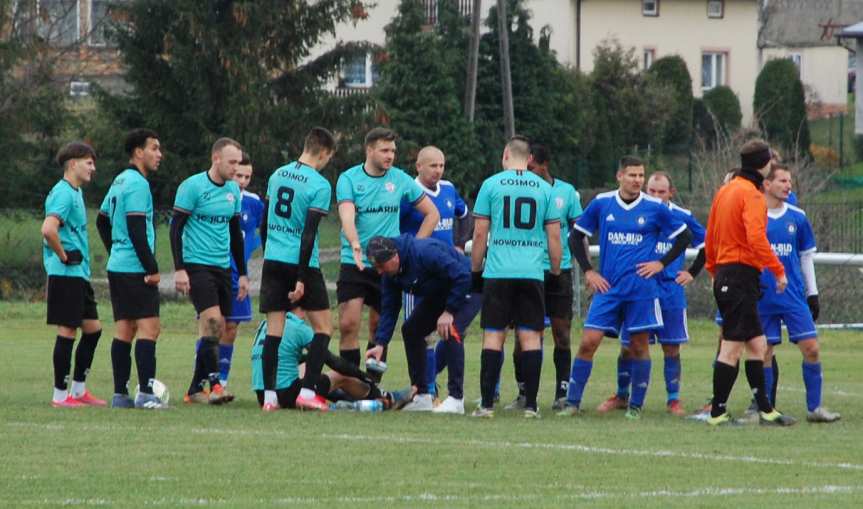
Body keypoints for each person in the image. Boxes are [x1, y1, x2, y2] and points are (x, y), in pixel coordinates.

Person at [559, 156, 692, 420]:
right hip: (608, 288)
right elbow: (575, 236)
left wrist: (660, 263)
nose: (638, 181)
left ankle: (635, 407)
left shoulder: (655, 207)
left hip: (642, 290)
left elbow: (684, 237)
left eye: (641, 176)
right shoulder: (602, 203)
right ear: (620, 175)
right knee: (588, 342)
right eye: (632, 175)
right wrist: (588, 271)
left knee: (639, 345)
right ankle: (572, 402)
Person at [703, 139, 795, 426]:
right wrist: (778, 270)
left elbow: (711, 234)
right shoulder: (752, 195)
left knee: (758, 344)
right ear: (765, 163)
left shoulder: (725, 190)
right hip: (740, 274)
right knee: (732, 347)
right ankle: (717, 412)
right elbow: (756, 238)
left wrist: (713, 268)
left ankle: (766, 409)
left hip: (728, 274)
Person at [470, 135, 562, 419]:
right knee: (531, 337)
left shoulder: (491, 184)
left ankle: (486, 405)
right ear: (530, 158)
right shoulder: (545, 188)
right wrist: (555, 272)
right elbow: (555, 237)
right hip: (532, 272)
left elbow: (480, 233)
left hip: (498, 272)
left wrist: (476, 270)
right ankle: (532, 406)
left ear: (505, 154)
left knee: (494, 336)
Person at [600, 172, 705, 417]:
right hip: (638, 291)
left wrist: (692, 272)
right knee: (628, 347)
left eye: (661, 192)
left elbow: (707, 245)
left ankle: (673, 400)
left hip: (669, 291)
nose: (656, 196)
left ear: (671, 193)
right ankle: (622, 395)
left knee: (671, 347)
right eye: (652, 191)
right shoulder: (639, 211)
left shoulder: (682, 217)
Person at [335, 128, 439, 372]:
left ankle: (371, 383)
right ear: (369, 150)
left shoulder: (400, 179)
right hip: (355, 260)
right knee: (349, 323)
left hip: (387, 266)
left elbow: (432, 214)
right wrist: (355, 242)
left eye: (393, 150)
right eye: (384, 150)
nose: (390, 155)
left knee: (378, 326)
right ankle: (350, 381)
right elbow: (347, 215)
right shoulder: (348, 179)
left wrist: (412, 248)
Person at [259, 127, 336, 412]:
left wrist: (269, 254)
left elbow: (264, 223)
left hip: (273, 260)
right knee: (324, 328)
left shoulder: (277, 175)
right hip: (301, 263)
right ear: (325, 152)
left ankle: (269, 398)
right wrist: (302, 277)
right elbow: (308, 234)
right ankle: (306, 391)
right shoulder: (319, 184)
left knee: (274, 331)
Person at [399, 145, 478, 414]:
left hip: (449, 275)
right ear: (418, 166)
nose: (438, 171)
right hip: (419, 277)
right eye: (433, 165)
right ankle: (427, 390)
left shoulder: (448, 189)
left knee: (449, 329)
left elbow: (466, 217)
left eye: (442, 165)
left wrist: (459, 242)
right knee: (423, 335)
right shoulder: (408, 192)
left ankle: (435, 390)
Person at [504, 142, 583, 411]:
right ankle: (524, 393)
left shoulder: (566, 192)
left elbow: (578, 232)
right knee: (524, 336)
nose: (526, 171)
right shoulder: (517, 191)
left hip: (558, 272)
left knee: (562, 333)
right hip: (527, 271)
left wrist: (586, 269)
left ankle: (562, 393)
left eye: (531, 167)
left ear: (543, 165)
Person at [757, 165, 839, 423]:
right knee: (764, 352)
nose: (788, 185)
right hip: (762, 296)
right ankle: (766, 410)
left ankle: (814, 408)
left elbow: (806, 257)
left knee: (811, 348)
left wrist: (812, 293)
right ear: (767, 184)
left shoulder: (798, 217)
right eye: (782, 180)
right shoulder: (754, 215)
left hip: (792, 296)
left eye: (789, 181)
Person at [172, 137, 248, 405]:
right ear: (216, 159)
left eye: (239, 162)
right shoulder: (192, 187)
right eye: (232, 162)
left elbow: (235, 235)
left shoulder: (233, 191)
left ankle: (194, 389)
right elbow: (175, 228)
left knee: (216, 328)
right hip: (196, 264)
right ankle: (215, 385)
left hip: (223, 267)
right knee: (214, 321)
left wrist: (243, 274)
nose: (236, 169)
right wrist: (179, 269)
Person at [96, 129, 165, 409]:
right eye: (154, 148)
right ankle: (147, 393)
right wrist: (152, 267)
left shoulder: (120, 180)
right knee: (150, 328)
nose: (159, 154)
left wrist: (117, 252)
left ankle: (120, 395)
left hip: (119, 266)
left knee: (124, 329)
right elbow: (137, 228)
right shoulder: (137, 183)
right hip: (135, 268)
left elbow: (102, 221)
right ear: (138, 152)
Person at [365, 235, 473, 412]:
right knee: (411, 330)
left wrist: (449, 311)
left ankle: (456, 398)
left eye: (381, 266)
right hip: (441, 292)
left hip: (467, 285)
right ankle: (422, 395)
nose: (379, 272)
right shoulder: (389, 274)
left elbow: (462, 275)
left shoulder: (424, 253)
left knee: (451, 328)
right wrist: (381, 344)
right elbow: (390, 308)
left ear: (395, 257)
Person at [41, 141, 105, 408]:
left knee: (93, 330)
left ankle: (78, 390)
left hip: (78, 275)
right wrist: (64, 255)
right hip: (65, 274)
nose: (93, 168)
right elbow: (48, 229)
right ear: (73, 164)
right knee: (68, 330)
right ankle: (60, 396)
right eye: (88, 162)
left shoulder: (75, 192)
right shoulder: (64, 193)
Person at [250, 310, 406, 410]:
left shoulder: (266, 324)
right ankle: (383, 397)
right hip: (287, 395)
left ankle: (344, 400)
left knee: (307, 365)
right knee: (341, 376)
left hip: (264, 395)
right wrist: (363, 375)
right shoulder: (298, 327)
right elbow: (333, 361)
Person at [216, 151, 264, 390]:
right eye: (238, 175)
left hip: (238, 275)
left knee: (232, 327)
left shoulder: (254, 203)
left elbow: (262, 233)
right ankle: (204, 377)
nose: (243, 181)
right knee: (213, 325)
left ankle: (222, 379)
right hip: (214, 271)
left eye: (247, 177)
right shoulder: (214, 194)